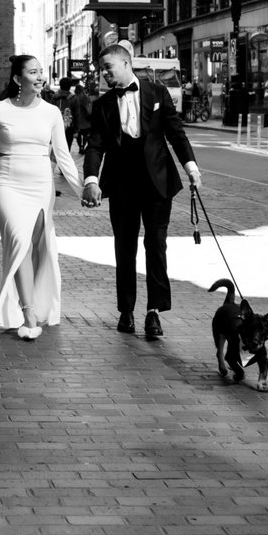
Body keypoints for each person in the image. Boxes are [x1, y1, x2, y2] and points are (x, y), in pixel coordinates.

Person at [0, 55, 82, 340]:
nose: (39, 77)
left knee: (35, 246)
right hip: (7, 186)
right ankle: (28, 314)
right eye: (33, 72)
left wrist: (81, 191)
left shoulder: (51, 112)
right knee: (19, 244)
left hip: (40, 186)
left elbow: (63, 157)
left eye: (41, 72)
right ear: (17, 79)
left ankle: (30, 304)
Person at [81, 43, 201, 340]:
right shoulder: (103, 104)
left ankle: (154, 312)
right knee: (124, 247)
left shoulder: (157, 92)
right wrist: (91, 180)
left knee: (156, 245)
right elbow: (95, 145)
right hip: (121, 184)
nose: (104, 73)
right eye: (102, 69)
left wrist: (191, 168)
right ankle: (126, 310)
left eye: (107, 67)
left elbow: (175, 133)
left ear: (125, 63)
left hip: (158, 182)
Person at [73, 80, 95, 153]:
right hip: (85, 120)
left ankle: (80, 146)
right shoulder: (86, 98)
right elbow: (89, 109)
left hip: (78, 120)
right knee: (85, 135)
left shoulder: (74, 98)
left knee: (79, 135)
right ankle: (84, 146)